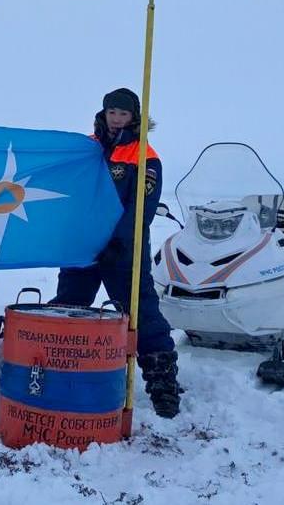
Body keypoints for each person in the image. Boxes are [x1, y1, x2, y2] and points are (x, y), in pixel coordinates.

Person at [51, 87, 182, 418]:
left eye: (123, 114)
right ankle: (56, 374)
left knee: (143, 316)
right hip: (82, 248)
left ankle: (163, 386)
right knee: (68, 309)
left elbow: (142, 208)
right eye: (112, 112)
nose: (117, 119)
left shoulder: (145, 157)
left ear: (134, 117)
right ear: (104, 113)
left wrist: (119, 241)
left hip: (123, 250)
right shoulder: (86, 148)